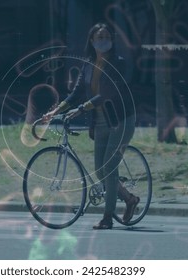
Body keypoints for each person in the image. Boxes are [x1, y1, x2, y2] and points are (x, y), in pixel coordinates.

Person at [43, 22, 139, 230]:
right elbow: (76, 93)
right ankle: (130, 199)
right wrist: (54, 111)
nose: (103, 41)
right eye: (99, 37)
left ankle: (107, 217)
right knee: (100, 170)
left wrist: (82, 109)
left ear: (112, 41)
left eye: (107, 37)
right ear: (92, 41)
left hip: (120, 121)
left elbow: (107, 93)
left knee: (109, 167)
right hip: (100, 123)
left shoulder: (118, 63)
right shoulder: (87, 65)